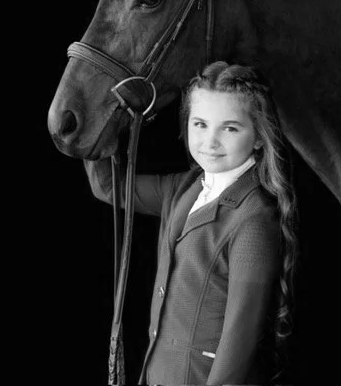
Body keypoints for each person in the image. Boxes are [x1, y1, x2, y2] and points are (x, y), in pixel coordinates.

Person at [85, 61, 298, 385]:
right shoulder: (184, 186)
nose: (210, 141)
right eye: (200, 124)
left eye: (230, 128)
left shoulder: (254, 218)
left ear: (258, 137)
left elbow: (238, 347)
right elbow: (107, 186)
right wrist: (97, 117)